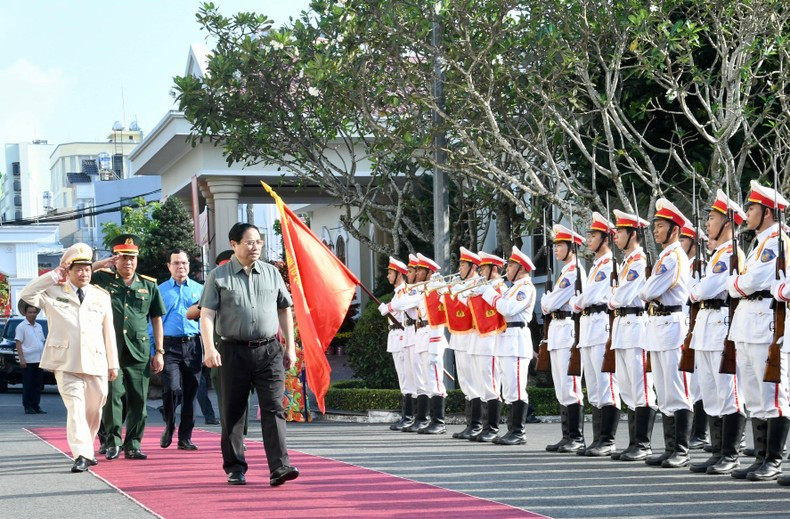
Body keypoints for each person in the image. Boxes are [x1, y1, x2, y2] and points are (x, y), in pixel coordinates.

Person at [200, 222, 300, 487]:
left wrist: (290, 345)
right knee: (233, 411)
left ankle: (280, 466)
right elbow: (207, 314)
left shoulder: (271, 273)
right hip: (232, 351)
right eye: (249, 242)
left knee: (274, 408)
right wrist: (210, 348)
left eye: (259, 242)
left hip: (269, 351)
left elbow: (284, 309)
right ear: (234, 244)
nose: (255, 247)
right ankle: (235, 467)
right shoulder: (218, 276)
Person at [19, 242, 119, 472]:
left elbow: (109, 331)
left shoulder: (100, 296)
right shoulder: (53, 291)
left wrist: (112, 364)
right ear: (69, 271)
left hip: (96, 360)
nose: (84, 273)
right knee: (75, 407)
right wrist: (53, 275)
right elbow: (27, 293)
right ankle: (82, 453)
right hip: (65, 361)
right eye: (79, 269)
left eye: (87, 269)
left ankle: (88, 447)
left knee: (95, 408)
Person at [728, 180, 790, 481]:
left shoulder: (777, 241)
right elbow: (747, 281)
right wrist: (740, 284)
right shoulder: (760, 244)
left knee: (771, 394)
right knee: (753, 395)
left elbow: (749, 283)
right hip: (747, 323)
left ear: (766, 212)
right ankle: (762, 456)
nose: (747, 213)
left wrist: (736, 285)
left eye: (751, 208)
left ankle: (773, 460)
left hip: (765, 323)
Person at [91, 234, 166, 461]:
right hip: (110, 350)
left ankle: (133, 444)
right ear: (116, 258)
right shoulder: (102, 280)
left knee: (138, 400)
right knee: (113, 397)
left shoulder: (148, 285)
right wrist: (100, 264)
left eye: (132, 258)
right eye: (123, 257)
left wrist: (159, 351)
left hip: (138, 350)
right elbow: (78, 276)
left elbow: (156, 318)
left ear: (137, 259)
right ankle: (113, 442)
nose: (128, 262)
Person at [689, 190, 747, 475]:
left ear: (727, 223)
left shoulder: (731, 253)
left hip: (721, 322)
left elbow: (706, 289)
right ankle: (718, 450)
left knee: (727, 391)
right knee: (711, 391)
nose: (708, 222)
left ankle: (730, 454)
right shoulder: (717, 255)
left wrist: (697, 290)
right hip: (706, 325)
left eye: (712, 218)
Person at [639, 198, 692, 469]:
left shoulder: (673, 256)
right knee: (663, 389)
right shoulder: (665, 256)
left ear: (674, 230)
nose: (655, 231)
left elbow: (648, 292)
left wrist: (647, 290)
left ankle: (681, 449)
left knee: (676, 388)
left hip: (672, 324)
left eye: (660, 226)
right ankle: (670, 447)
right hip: (659, 325)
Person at [569, 212, 621, 457]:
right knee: (594, 385)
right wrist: (579, 302)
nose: (588, 239)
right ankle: (597, 438)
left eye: (593, 235)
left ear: (605, 239)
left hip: (601, 325)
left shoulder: (609, 264)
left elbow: (589, 297)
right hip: (589, 327)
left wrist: (577, 301)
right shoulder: (596, 266)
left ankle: (608, 439)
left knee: (606, 384)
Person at [609, 210, 657, 462]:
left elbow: (623, 296)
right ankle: (633, 442)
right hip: (623, 326)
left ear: (633, 234)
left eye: (620, 232)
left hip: (637, 324)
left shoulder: (639, 261)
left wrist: (614, 297)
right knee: (627, 386)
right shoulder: (626, 262)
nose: (615, 236)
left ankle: (643, 443)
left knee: (641, 387)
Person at [480, 246, 537, 445]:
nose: (508, 268)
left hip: (517, 339)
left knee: (517, 388)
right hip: (506, 339)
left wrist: (489, 294)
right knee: (508, 389)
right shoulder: (514, 288)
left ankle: (518, 432)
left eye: (511, 265)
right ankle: (512, 430)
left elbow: (507, 308)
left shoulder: (525, 288)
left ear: (521, 268)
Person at [541, 224, 587, 453]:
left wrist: (548, 302)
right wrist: (548, 303)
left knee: (570, 385)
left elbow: (550, 303)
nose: (556, 249)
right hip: (557, 330)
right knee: (561, 385)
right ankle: (567, 435)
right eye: (556, 245)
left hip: (568, 328)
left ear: (571, 248)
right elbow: (547, 305)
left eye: (560, 245)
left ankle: (576, 437)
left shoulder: (573, 271)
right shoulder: (564, 272)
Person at [158, 249, 204, 450]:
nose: (181, 267)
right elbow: (154, 322)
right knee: (172, 388)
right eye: (176, 263)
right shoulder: (159, 291)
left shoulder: (199, 290)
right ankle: (169, 424)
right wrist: (156, 349)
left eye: (184, 263)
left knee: (191, 392)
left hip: (193, 345)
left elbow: (206, 319)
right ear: (169, 266)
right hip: (169, 346)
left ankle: (185, 437)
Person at [466, 251, 506, 442]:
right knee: (482, 385)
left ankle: (492, 427)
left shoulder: (500, 289)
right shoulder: (484, 287)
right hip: (478, 340)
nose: (480, 271)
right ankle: (483, 425)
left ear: (494, 269)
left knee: (491, 385)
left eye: (484, 268)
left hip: (491, 341)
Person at [445, 248, 482, 440]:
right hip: (458, 338)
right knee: (465, 382)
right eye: (459, 264)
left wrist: (455, 292)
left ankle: (476, 424)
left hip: (471, 339)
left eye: (462, 265)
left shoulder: (478, 285)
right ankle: (471, 424)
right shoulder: (460, 284)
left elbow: (470, 306)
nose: (459, 268)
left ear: (472, 267)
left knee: (474, 381)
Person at [680, 222, 710, 451]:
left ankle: (701, 432)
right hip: (686, 328)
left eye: (683, 239)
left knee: (699, 384)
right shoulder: (686, 266)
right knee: (692, 383)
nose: (680, 243)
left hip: (699, 328)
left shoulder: (702, 265)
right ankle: (695, 431)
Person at [381, 256, 412, 430]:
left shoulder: (404, 292)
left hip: (402, 336)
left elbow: (401, 308)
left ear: (399, 274)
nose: (388, 276)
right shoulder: (397, 292)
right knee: (402, 378)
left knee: (407, 377)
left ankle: (409, 416)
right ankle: (406, 415)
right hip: (395, 336)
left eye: (391, 273)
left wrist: (389, 307)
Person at [15, 301, 46, 414]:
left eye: (34, 312)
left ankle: (36, 405)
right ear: (25, 313)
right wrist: (22, 358)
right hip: (28, 361)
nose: (32, 314)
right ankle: (27, 406)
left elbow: (42, 342)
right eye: (30, 312)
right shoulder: (21, 327)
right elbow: (18, 343)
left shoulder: (39, 326)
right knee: (28, 384)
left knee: (38, 385)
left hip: (39, 360)